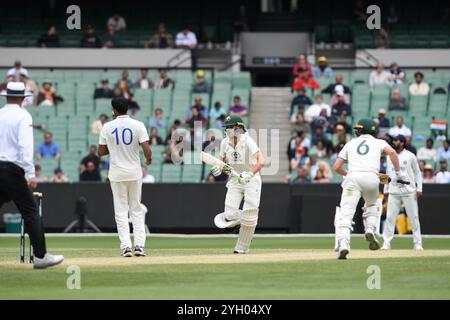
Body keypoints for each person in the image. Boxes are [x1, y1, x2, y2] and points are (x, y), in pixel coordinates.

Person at [0, 82, 63, 269]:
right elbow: (25, 146)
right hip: (12, 169)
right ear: (22, 97)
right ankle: (41, 256)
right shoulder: (23, 115)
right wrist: (30, 173)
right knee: (30, 211)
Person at [332, 118, 405, 259]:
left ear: (360, 130)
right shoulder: (379, 142)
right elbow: (393, 153)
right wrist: (398, 174)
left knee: (346, 214)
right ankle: (370, 229)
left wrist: (349, 174)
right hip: (373, 178)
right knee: (371, 205)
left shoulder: (350, 143)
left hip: (353, 179)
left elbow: (336, 167)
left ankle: (344, 244)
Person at [98, 97, 152, 257]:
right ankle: (139, 246)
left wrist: (114, 149)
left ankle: (126, 247)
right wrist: (148, 160)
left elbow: (100, 152)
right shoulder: (138, 125)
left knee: (121, 211)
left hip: (116, 174)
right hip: (135, 173)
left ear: (114, 110)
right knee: (136, 208)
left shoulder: (107, 126)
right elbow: (147, 150)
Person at [210, 115, 265, 254]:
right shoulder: (224, 143)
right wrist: (218, 168)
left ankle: (242, 248)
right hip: (235, 179)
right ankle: (249, 220)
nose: (227, 130)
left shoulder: (248, 141)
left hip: (251, 179)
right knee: (229, 215)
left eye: (229, 127)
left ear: (238, 128)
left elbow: (261, 161)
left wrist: (250, 174)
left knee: (250, 212)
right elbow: (221, 161)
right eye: (226, 127)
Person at [382, 135, 423, 250]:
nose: (394, 142)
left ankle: (417, 243)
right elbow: (387, 172)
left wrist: (419, 188)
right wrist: (385, 190)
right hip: (394, 191)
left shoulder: (410, 156)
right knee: (390, 218)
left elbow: (417, 173)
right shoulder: (390, 156)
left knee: (414, 217)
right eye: (394, 140)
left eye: (396, 140)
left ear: (402, 143)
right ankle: (386, 243)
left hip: (409, 191)